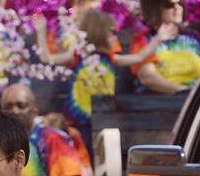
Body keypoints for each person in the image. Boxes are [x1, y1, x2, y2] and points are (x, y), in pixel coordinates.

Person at [65, 10, 166, 151]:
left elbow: (139, 58)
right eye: (112, 32)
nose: (115, 37)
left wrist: (157, 39)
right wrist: (41, 32)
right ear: (99, 33)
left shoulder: (110, 58)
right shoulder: (78, 57)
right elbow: (48, 58)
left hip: (104, 116)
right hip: (81, 118)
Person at [0, 83, 83, 176]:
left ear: (34, 110)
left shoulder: (53, 138)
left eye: (21, 105)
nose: (15, 111)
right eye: (8, 107)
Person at [130, 0, 200, 94]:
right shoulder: (143, 40)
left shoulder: (194, 39)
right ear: (154, 8)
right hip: (158, 107)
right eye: (170, 4)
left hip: (195, 106)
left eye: (179, 3)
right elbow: (148, 78)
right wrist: (184, 92)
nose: (178, 8)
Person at [32, 0, 105, 66]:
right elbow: (48, 58)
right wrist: (41, 31)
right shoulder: (65, 26)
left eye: (99, 1)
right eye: (93, 0)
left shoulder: (97, 24)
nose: (98, 5)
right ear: (78, 0)